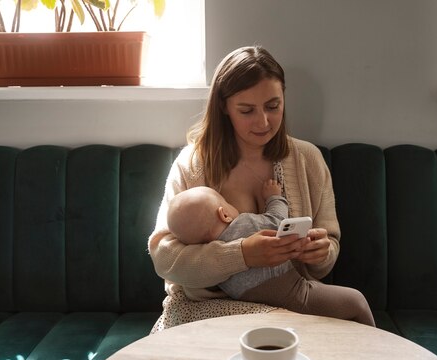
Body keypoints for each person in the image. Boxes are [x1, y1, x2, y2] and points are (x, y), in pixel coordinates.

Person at [148, 45, 375, 331]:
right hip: (205, 312)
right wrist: (241, 255)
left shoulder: (307, 161)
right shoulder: (192, 165)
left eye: (273, 106)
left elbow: (328, 250)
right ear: (224, 107)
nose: (264, 122)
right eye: (247, 110)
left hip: (291, 306)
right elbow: (165, 259)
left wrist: (320, 251)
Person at [166, 182, 375, 325]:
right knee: (357, 301)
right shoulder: (243, 224)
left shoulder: (207, 258)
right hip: (297, 295)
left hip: (255, 310)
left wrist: (322, 251)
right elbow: (277, 221)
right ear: (225, 213)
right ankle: (377, 350)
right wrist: (274, 196)